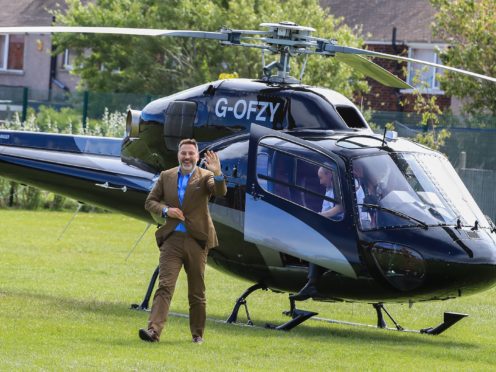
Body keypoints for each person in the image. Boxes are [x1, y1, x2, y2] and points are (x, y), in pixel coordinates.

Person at [138, 138, 227, 344]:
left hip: (196, 240)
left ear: (197, 156)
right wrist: (167, 210)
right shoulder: (166, 176)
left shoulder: (205, 177)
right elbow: (150, 202)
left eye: (191, 154)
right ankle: (153, 331)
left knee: (196, 290)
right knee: (165, 285)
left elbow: (220, 191)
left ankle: (197, 335)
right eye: (183, 153)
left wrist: (218, 173)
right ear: (178, 155)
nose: (187, 157)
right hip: (172, 240)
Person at [291, 166, 342, 301]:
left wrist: (321, 216)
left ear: (330, 174)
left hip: (338, 227)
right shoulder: (330, 188)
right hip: (329, 225)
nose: (320, 182)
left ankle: (311, 283)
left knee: (315, 242)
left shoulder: (339, 188)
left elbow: (340, 208)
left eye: (321, 177)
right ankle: (311, 282)